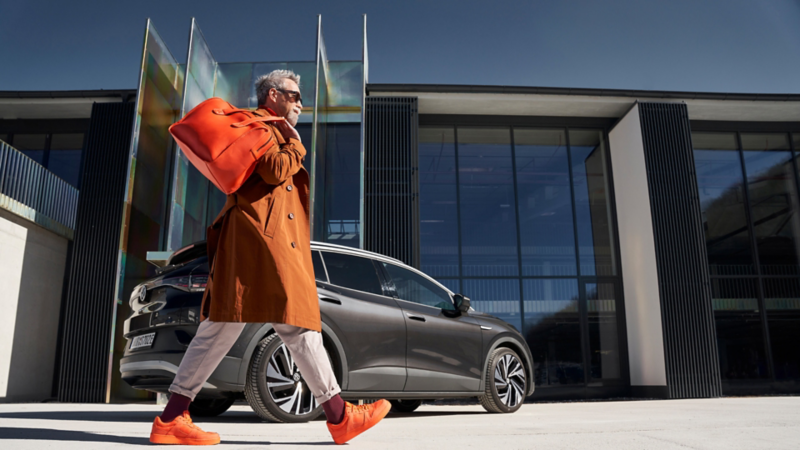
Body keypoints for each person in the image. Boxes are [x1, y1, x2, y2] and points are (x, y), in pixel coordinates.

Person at [149, 69, 390, 446]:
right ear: (273, 95)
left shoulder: (265, 127)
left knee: (248, 327)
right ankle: (340, 417)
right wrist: (296, 145)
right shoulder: (264, 126)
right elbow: (275, 170)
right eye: (294, 95)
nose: (299, 102)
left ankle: (172, 417)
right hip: (261, 242)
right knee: (290, 323)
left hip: (258, 240)